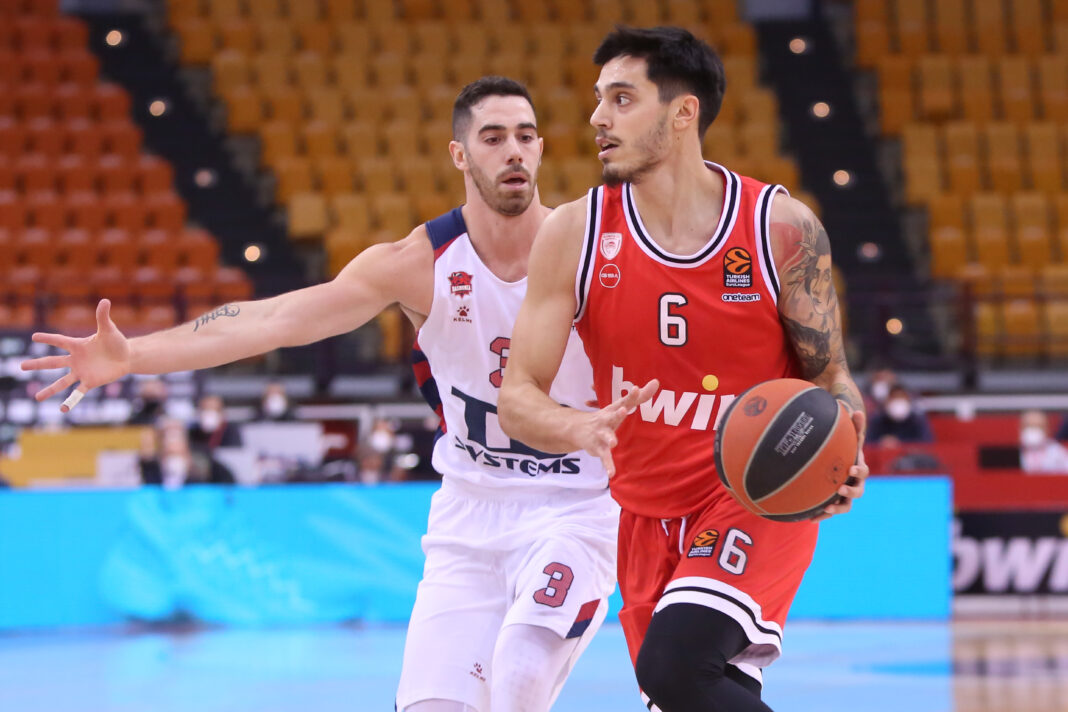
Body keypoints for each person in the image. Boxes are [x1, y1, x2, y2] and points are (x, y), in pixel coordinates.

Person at [20, 77, 616, 712]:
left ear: (542, 148)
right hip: (469, 517)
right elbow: (273, 320)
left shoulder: (593, 252)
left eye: (526, 136)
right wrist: (134, 355)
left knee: (520, 672)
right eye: (493, 138)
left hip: (574, 509)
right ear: (460, 155)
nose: (514, 151)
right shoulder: (417, 263)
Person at [498, 27, 869, 712]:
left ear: (682, 112)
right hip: (643, 512)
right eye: (598, 99)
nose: (597, 117)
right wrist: (579, 427)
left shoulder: (780, 228)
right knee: (685, 693)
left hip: (755, 491)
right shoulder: (574, 233)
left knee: (676, 667)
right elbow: (516, 396)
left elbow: (831, 376)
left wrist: (845, 446)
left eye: (621, 99)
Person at [865, 383, 934, 447]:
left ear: (908, 400)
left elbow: (927, 442)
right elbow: (867, 443)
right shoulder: (877, 420)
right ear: (887, 401)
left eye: (901, 397)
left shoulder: (917, 420)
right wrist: (882, 443)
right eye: (894, 397)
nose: (898, 401)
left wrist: (900, 443)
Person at [1019, 409, 1068, 473]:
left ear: (1047, 429)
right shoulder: (1014, 454)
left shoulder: (1057, 452)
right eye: (1029, 426)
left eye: (1038, 426)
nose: (1033, 430)